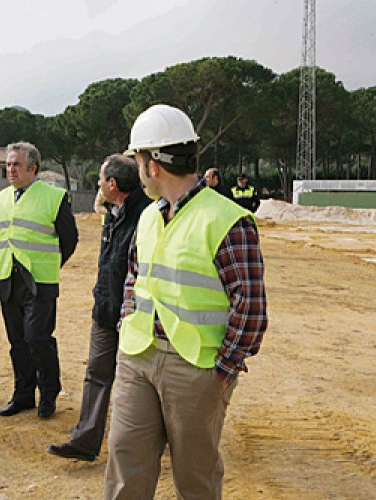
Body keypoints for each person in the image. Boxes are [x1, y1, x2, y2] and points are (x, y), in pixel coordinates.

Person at [103, 105, 267, 499]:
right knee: (125, 466)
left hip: (195, 368)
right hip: (137, 356)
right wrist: (128, 321)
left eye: (138, 158)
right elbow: (135, 276)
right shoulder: (148, 216)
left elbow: (252, 306)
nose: (137, 168)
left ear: (153, 165)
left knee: (195, 479)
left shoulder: (227, 219)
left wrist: (224, 370)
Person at [47, 154, 150, 462]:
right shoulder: (111, 213)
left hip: (137, 316)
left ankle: (158, 441)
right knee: (96, 373)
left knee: (144, 382)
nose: (98, 185)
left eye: (100, 180)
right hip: (105, 311)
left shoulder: (148, 216)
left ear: (112, 183)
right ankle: (85, 440)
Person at [0, 142, 78, 419]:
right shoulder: (0, 198)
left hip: (40, 280)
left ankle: (49, 392)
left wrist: (52, 264)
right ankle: (23, 395)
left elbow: (69, 239)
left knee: (37, 338)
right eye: (8, 164)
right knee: (17, 341)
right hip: (8, 277)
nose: (11, 169)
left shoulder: (55, 197)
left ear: (33, 168)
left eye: (16, 164)